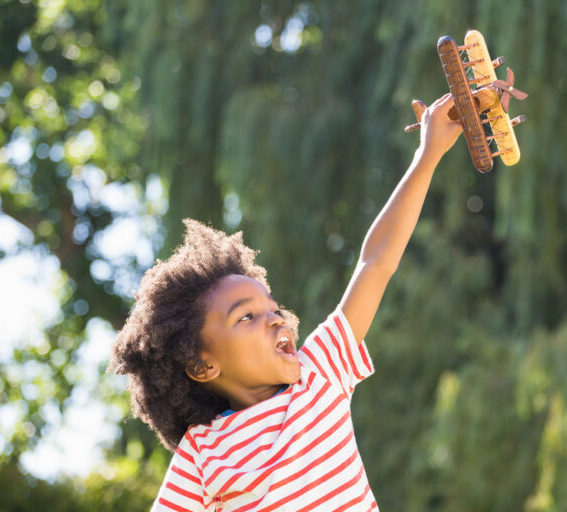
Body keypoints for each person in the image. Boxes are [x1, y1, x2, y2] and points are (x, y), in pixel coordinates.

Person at [110, 93, 463, 511]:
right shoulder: (201, 453)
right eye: (246, 317)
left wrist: (428, 154)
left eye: (274, 310)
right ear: (202, 364)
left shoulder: (319, 376)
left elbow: (374, 263)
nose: (276, 320)